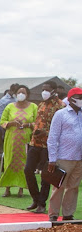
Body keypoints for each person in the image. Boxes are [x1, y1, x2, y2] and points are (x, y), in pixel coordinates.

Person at [25, 81, 65, 213]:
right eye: (43, 89)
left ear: (54, 91)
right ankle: (35, 199)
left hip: (48, 145)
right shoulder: (41, 104)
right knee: (28, 170)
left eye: (46, 90)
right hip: (34, 143)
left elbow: (62, 129)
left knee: (45, 174)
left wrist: (45, 133)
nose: (44, 92)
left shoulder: (61, 106)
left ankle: (41, 203)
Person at [46, 88, 82, 222]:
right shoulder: (61, 114)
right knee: (58, 186)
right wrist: (52, 159)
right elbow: (53, 137)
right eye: (79, 97)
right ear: (71, 98)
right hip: (64, 156)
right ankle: (53, 215)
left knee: (73, 187)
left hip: (79, 158)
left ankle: (68, 214)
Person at [0, 84, 37, 197]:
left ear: (27, 95)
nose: (21, 94)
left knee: (24, 164)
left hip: (26, 140)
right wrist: (11, 123)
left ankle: (21, 189)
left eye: (23, 92)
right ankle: (7, 188)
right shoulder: (10, 106)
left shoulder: (33, 107)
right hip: (11, 140)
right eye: (19, 92)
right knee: (9, 162)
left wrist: (28, 125)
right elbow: (2, 121)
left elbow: (38, 123)